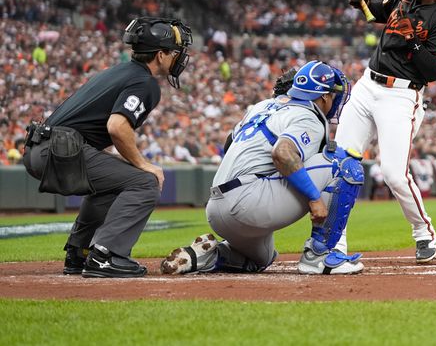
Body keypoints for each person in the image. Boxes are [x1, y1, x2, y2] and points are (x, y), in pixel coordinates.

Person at [22, 17, 193, 278]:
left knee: (116, 181)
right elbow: (117, 127)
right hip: (59, 150)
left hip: (44, 147)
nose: (179, 58)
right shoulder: (145, 82)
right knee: (145, 181)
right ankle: (106, 255)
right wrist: (143, 164)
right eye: (175, 52)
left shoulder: (117, 71)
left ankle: (79, 254)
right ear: (160, 55)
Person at [161, 61, 365, 276]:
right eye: (333, 95)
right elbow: (282, 153)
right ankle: (319, 255)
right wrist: (314, 197)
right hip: (249, 203)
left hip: (216, 208)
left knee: (261, 259)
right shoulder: (309, 116)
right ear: (324, 96)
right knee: (345, 164)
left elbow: (229, 144)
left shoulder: (261, 106)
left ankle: (205, 256)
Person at [339, 0, 436, 263]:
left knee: (394, 175)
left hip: (401, 95)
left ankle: (423, 231)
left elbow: (434, 70)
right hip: (368, 85)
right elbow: (378, 13)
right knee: (339, 164)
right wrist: (362, 2)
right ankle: (333, 238)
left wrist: (413, 42)